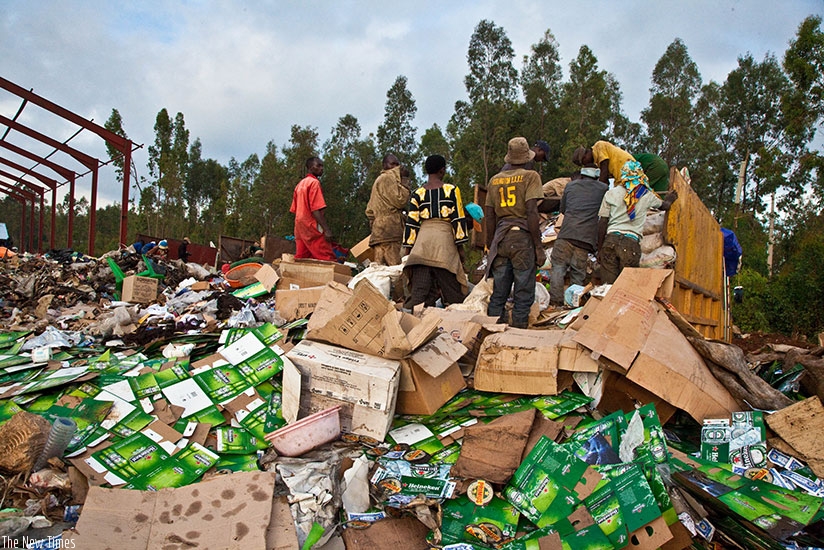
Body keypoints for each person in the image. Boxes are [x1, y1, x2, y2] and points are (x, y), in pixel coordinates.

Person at [485, 137, 544, 329]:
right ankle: (518, 334)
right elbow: (532, 212)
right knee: (523, 292)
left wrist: (489, 245)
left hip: (501, 238)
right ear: (527, 158)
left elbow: (490, 216)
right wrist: (538, 246)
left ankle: (492, 333)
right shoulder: (531, 177)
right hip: (521, 239)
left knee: (499, 292)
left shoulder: (494, 180)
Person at [402, 155, 469, 309]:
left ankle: (409, 323)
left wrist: (408, 251)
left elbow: (411, 224)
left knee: (419, 294)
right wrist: (460, 249)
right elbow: (458, 219)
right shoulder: (451, 190)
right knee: (453, 293)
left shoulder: (417, 194)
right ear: (442, 170)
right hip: (444, 245)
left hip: (422, 246)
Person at [597, 160, 678, 284]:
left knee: (607, 288)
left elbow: (603, 222)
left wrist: (600, 249)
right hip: (631, 243)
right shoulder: (645, 194)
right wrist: (671, 198)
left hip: (611, 240)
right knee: (626, 288)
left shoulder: (611, 193)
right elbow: (664, 206)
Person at [549, 149, 609, 306]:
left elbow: (563, 209)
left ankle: (555, 303)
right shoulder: (603, 189)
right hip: (585, 240)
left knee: (558, 269)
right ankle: (573, 305)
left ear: (582, 174)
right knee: (578, 273)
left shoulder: (570, 186)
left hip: (566, 234)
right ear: (596, 175)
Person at [366, 153, 410, 265]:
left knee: (379, 271)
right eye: (392, 164)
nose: (396, 167)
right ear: (384, 165)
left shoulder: (378, 180)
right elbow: (400, 201)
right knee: (395, 270)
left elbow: (370, 210)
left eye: (397, 164)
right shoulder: (388, 178)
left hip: (379, 232)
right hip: (390, 230)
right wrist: (404, 181)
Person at [290, 157, 336, 261]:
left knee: (301, 257)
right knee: (327, 257)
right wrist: (326, 230)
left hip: (299, 226)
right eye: (318, 166)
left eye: (322, 166)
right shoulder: (314, 183)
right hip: (311, 225)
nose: (321, 168)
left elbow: (295, 209)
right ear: (310, 168)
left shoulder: (300, 184)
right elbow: (315, 209)